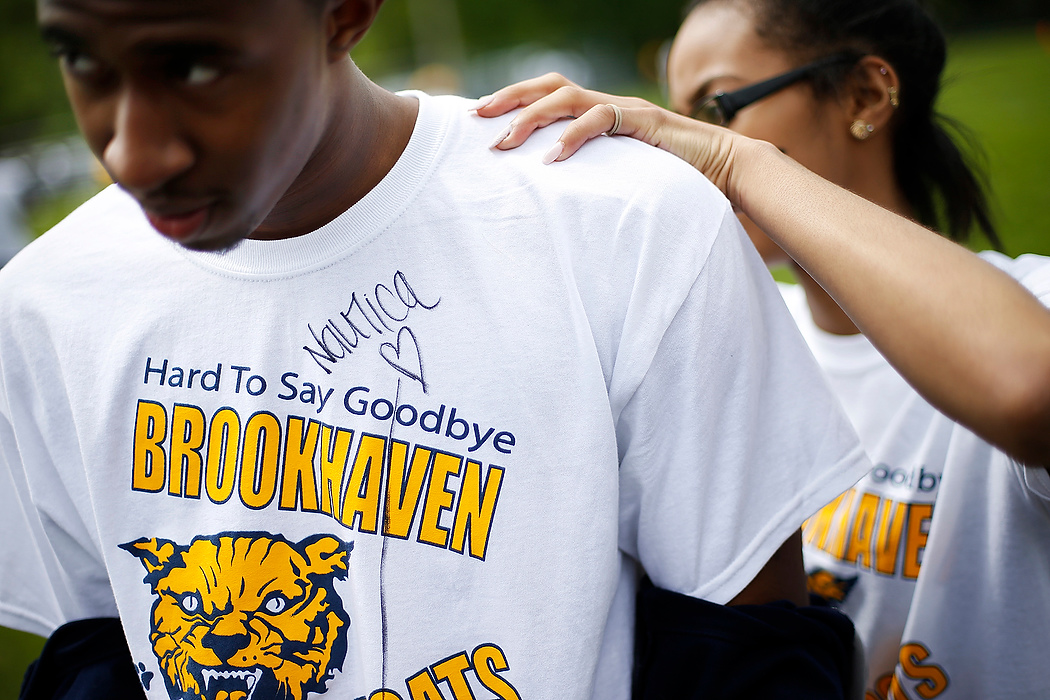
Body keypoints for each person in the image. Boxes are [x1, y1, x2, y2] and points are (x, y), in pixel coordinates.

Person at [0, 0, 874, 698]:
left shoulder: (627, 226)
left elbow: (758, 655)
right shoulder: (47, 304)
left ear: (345, 12)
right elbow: (99, 654)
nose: (131, 149)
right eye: (80, 57)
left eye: (198, 64)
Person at [476, 0, 1050, 697]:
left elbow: (1029, 385)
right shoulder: (729, 331)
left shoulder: (1028, 305)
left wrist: (736, 161)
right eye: (678, 114)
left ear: (866, 96)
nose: (678, 143)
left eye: (716, 107)